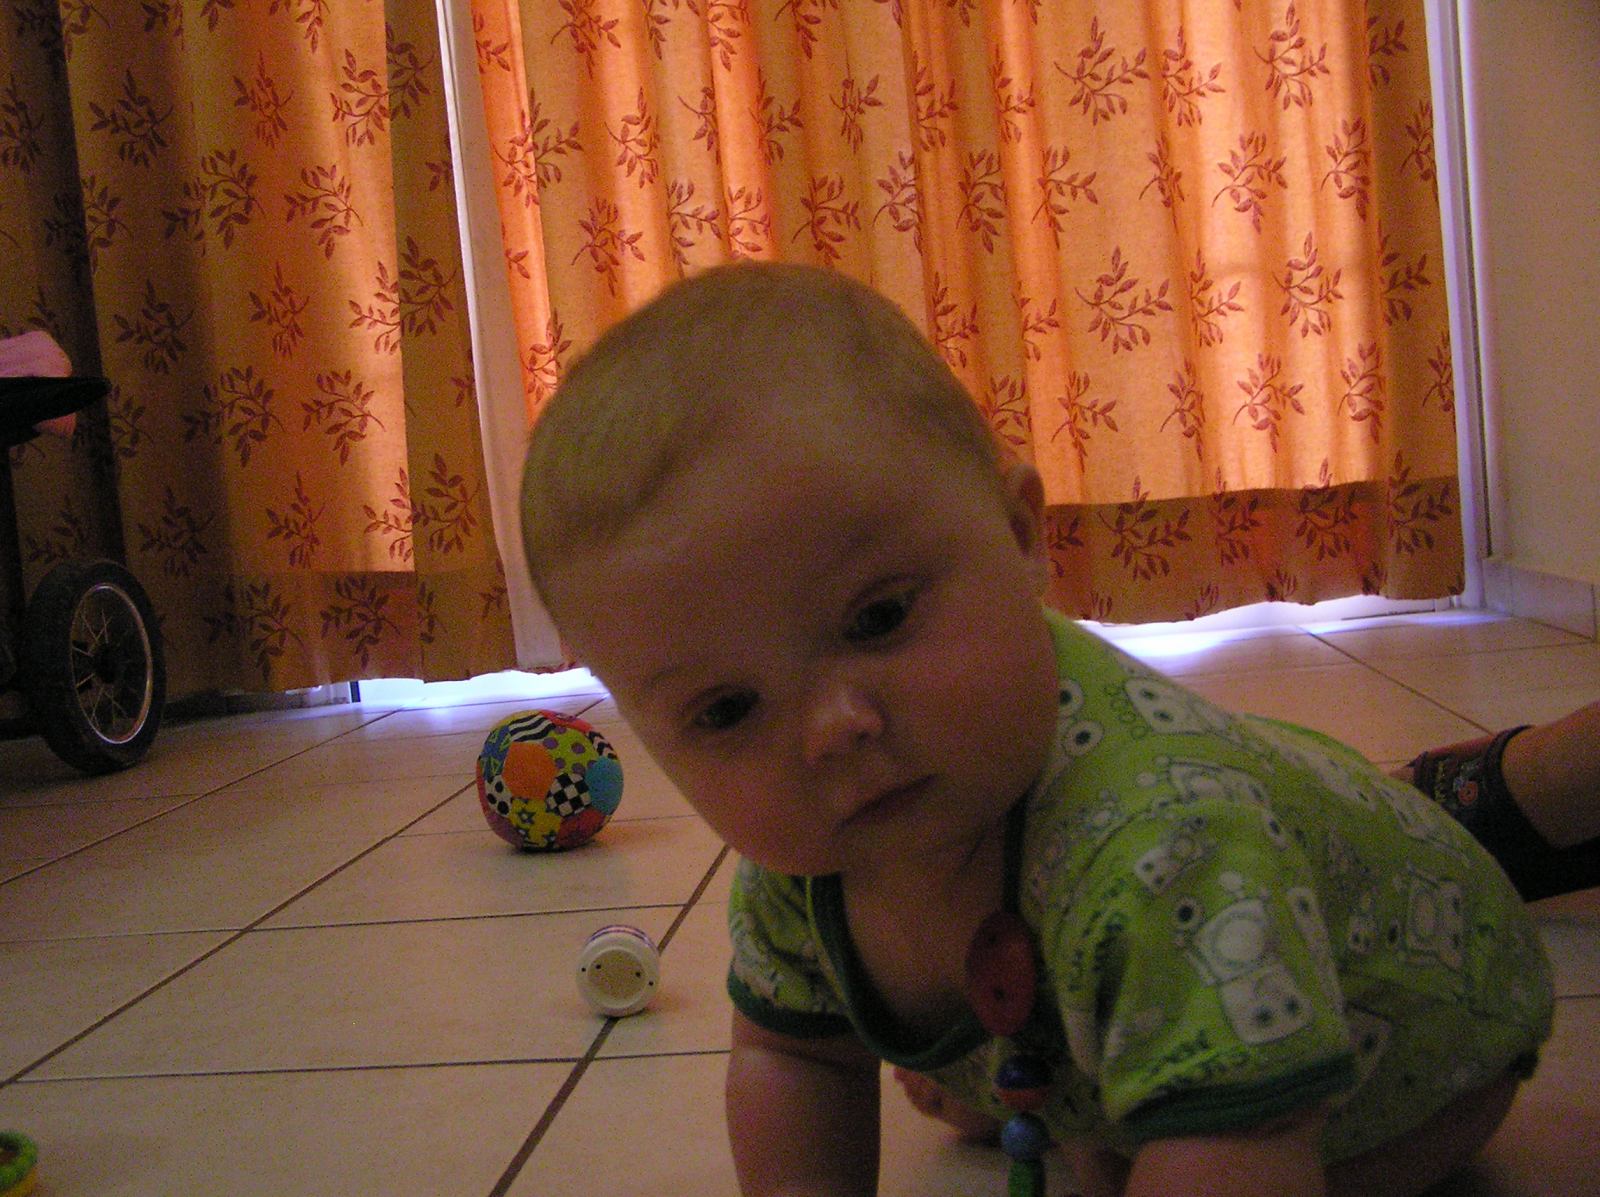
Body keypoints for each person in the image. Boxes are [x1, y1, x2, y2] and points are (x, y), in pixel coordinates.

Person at [520, 262, 1556, 1197]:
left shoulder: (1167, 837)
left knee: (1193, 1143)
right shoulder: (802, 869)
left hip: (1415, 1061)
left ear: (1020, 534)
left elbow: (1246, 1146)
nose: (830, 729)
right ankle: (1071, 1076)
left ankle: (1104, 1094)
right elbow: (793, 1057)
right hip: (1155, 1010)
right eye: (726, 710)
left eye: (879, 618)